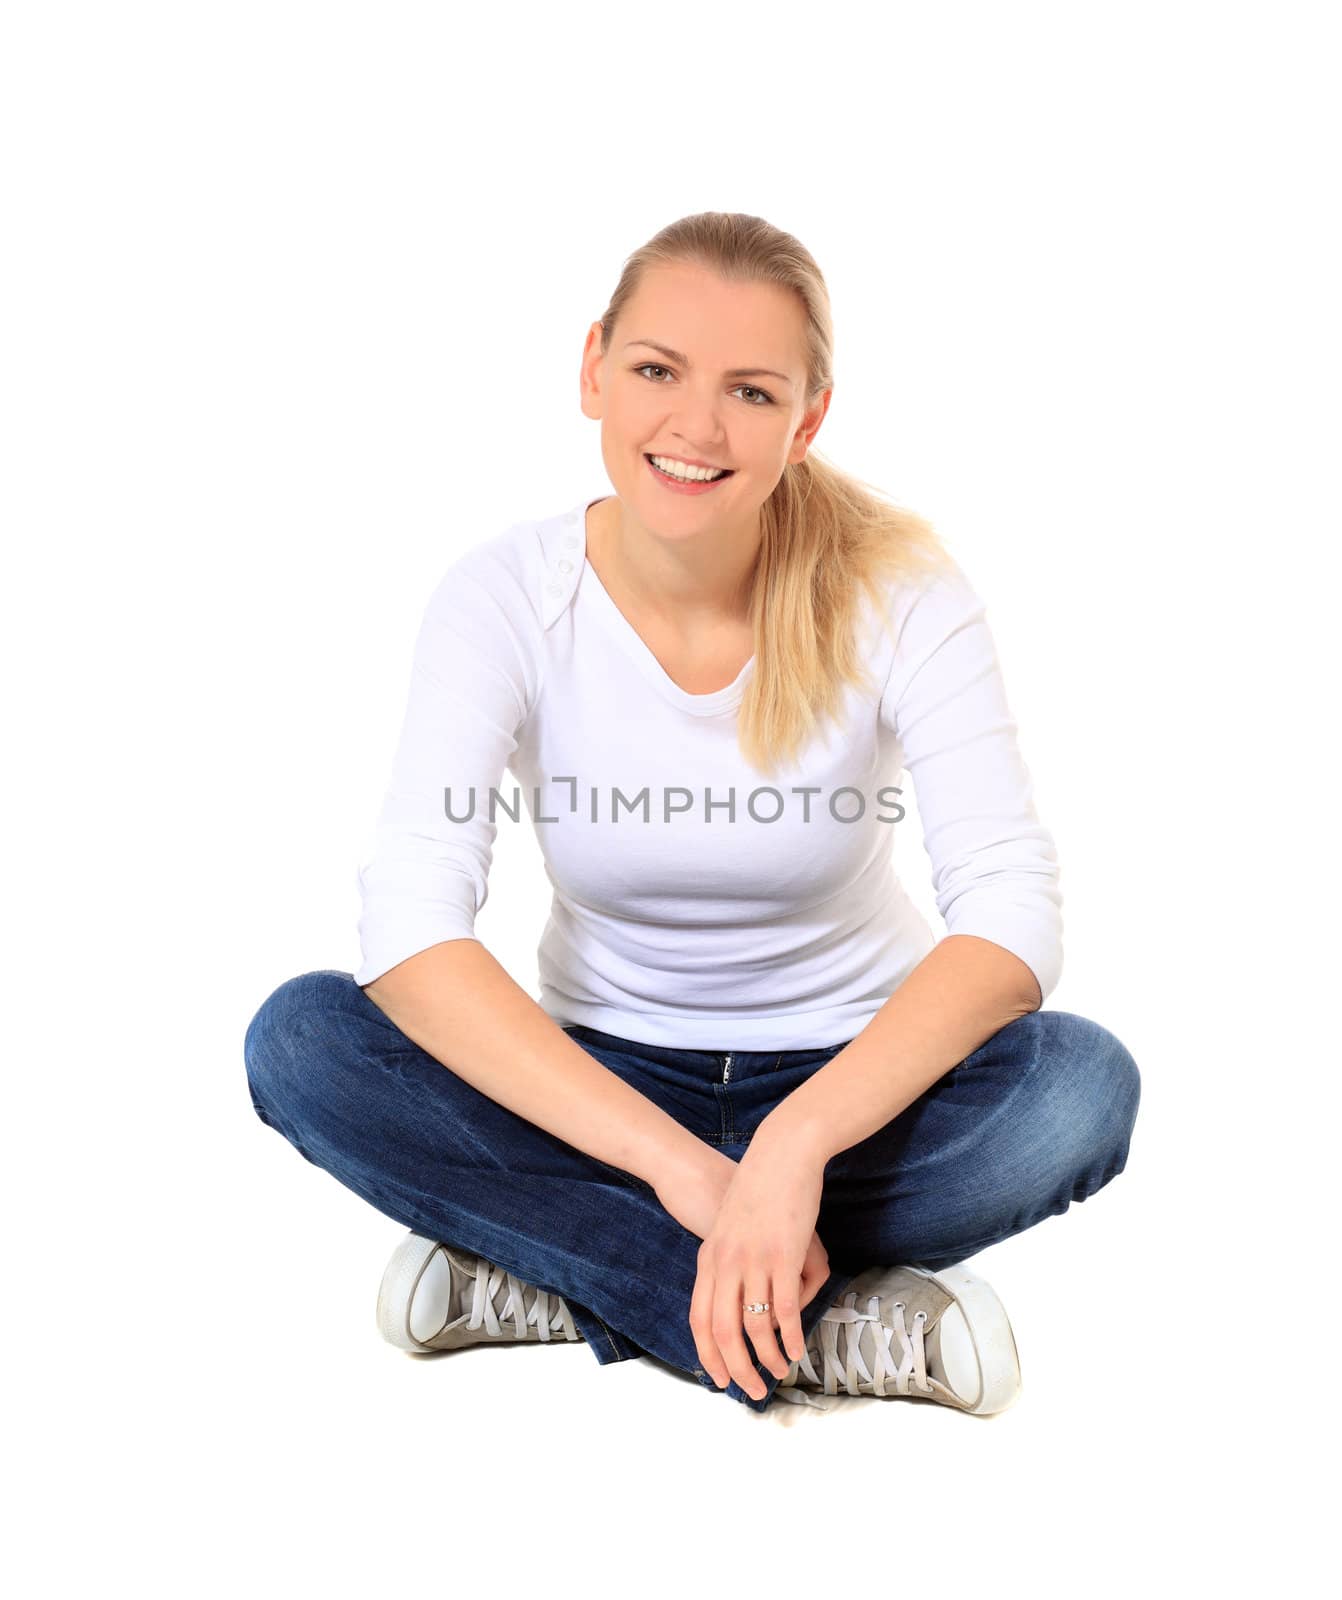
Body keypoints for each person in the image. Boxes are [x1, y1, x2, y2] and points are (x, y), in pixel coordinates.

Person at [243, 211, 1141, 1415]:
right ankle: (799, 1322)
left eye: (752, 391)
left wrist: (792, 1146)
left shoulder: (904, 595)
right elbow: (409, 925)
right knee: (303, 1041)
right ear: (593, 370)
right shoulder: (505, 596)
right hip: (603, 1091)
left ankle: (557, 1269)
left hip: (850, 1086)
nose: (696, 426)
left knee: (1079, 1089)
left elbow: (1011, 911)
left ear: (807, 418)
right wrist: (692, 1177)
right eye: (657, 370)